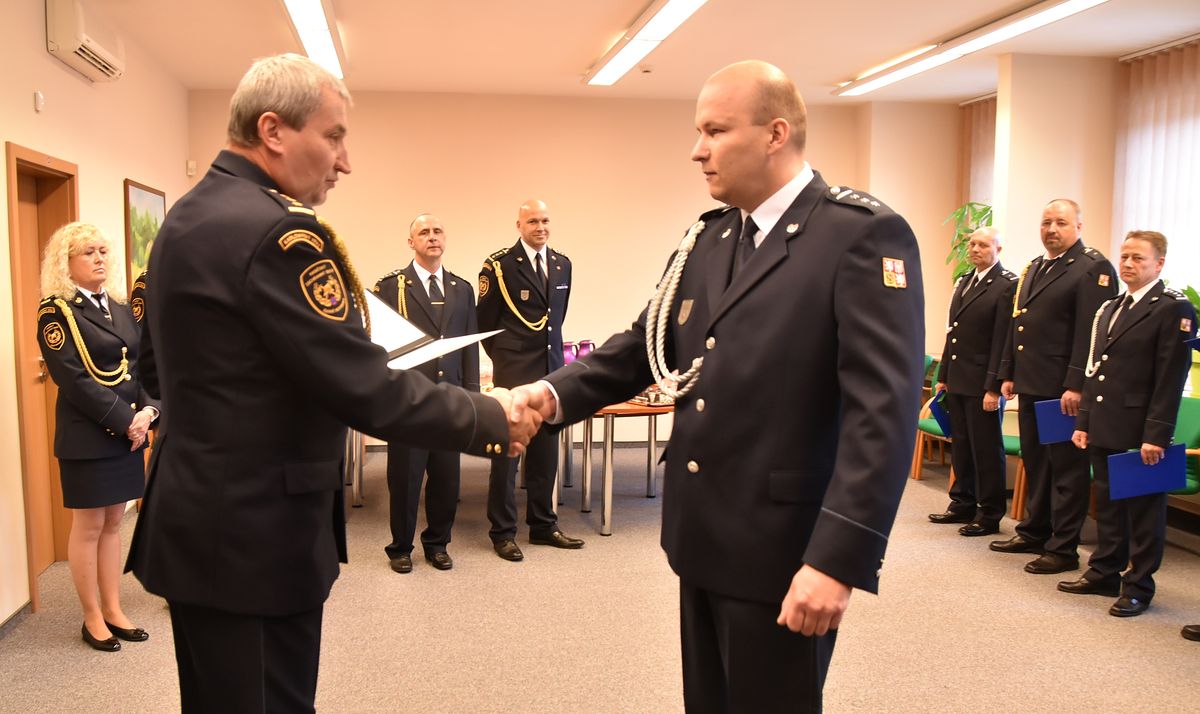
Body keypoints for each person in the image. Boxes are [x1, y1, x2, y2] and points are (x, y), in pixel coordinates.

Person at [124, 54, 540, 712]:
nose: (345, 161)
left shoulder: (187, 217)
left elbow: (154, 371)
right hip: (257, 536)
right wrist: (491, 417)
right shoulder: (279, 235)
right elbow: (364, 387)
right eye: (335, 136)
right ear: (273, 130)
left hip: (201, 520)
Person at [520, 60, 924, 711]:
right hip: (703, 536)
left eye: (714, 131)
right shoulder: (712, 237)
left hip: (785, 551)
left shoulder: (858, 234)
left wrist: (837, 559)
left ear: (775, 134)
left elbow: (884, 412)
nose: (697, 150)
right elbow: (644, 344)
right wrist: (550, 395)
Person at [36, 222, 158, 652]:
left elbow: (141, 366)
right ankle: (92, 617)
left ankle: (113, 608)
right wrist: (126, 420)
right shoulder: (56, 312)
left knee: (113, 523)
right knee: (89, 526)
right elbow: (73, 379)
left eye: (103, 251)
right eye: (88, 252)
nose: (99, 259)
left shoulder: (120, 307)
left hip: (129, 432)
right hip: (89, 435)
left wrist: (149, 411)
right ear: (66, 263)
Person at [1061, 231, 1196, 616]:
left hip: (1141, 429)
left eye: (1138, 257)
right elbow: (1096, 370)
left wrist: (1157, 434)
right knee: (1108, 505)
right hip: (1106, 422)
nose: (1128, 264)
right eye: (1124, 256)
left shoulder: (1173, 308)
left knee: (1143, 512)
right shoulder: (1112, 306)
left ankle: (1139, 585)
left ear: (1159, 264)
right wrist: (1084, 421)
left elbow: (1171, 377)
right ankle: (1105, 571)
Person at [991, 199, 1117, 575]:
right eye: (1046, 222)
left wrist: (1076, 384)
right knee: (1037, 462)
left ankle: (1063, 548)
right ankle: (1035, 531)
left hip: (1063, 390)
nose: (1051, 229)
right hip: (1032, 383)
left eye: (1061, 222)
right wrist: (1009, 372)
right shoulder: (1035, 266)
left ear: (1078, 226)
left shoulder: (1092, 267)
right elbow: (1019, 324)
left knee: (1066, 470)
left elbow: (1091, 333)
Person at [477, 199, 583, 561]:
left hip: (550, 371)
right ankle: (503, 532)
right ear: (519, 226)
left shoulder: (562, 264)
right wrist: (507, 361)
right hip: (514, 371)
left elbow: (556, 321)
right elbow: (486, 324)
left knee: (546, 453)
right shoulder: (500, 266)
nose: (541, 227)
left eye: (545, 220)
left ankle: (542, 525)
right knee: (507, 455)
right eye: (533, 221)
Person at [373, 214, 479, 573]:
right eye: (423, 232)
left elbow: (469, 347)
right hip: (408, 400)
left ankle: (437, 543)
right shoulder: (391, 287)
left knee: (446, 478)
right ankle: (401, 547)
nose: (432, 237)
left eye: (437, 231)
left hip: (449, 400)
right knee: (405, 478)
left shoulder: (461, 288)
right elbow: (379, 346)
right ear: (411, 243)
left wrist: (472, 398)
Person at [927, 227, 1016, 537]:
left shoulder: (1006, 285)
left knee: (986, 449)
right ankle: (962, 502)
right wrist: (944, 377)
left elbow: (1003, 339)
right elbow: (953, 332)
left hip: (983, 383)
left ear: (998, 249)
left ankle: (989, 513)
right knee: (962, 445)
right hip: (959, 378)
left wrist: (994, 387)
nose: (976, 249)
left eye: (983, 245)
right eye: (973, 244)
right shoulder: (965, 281)